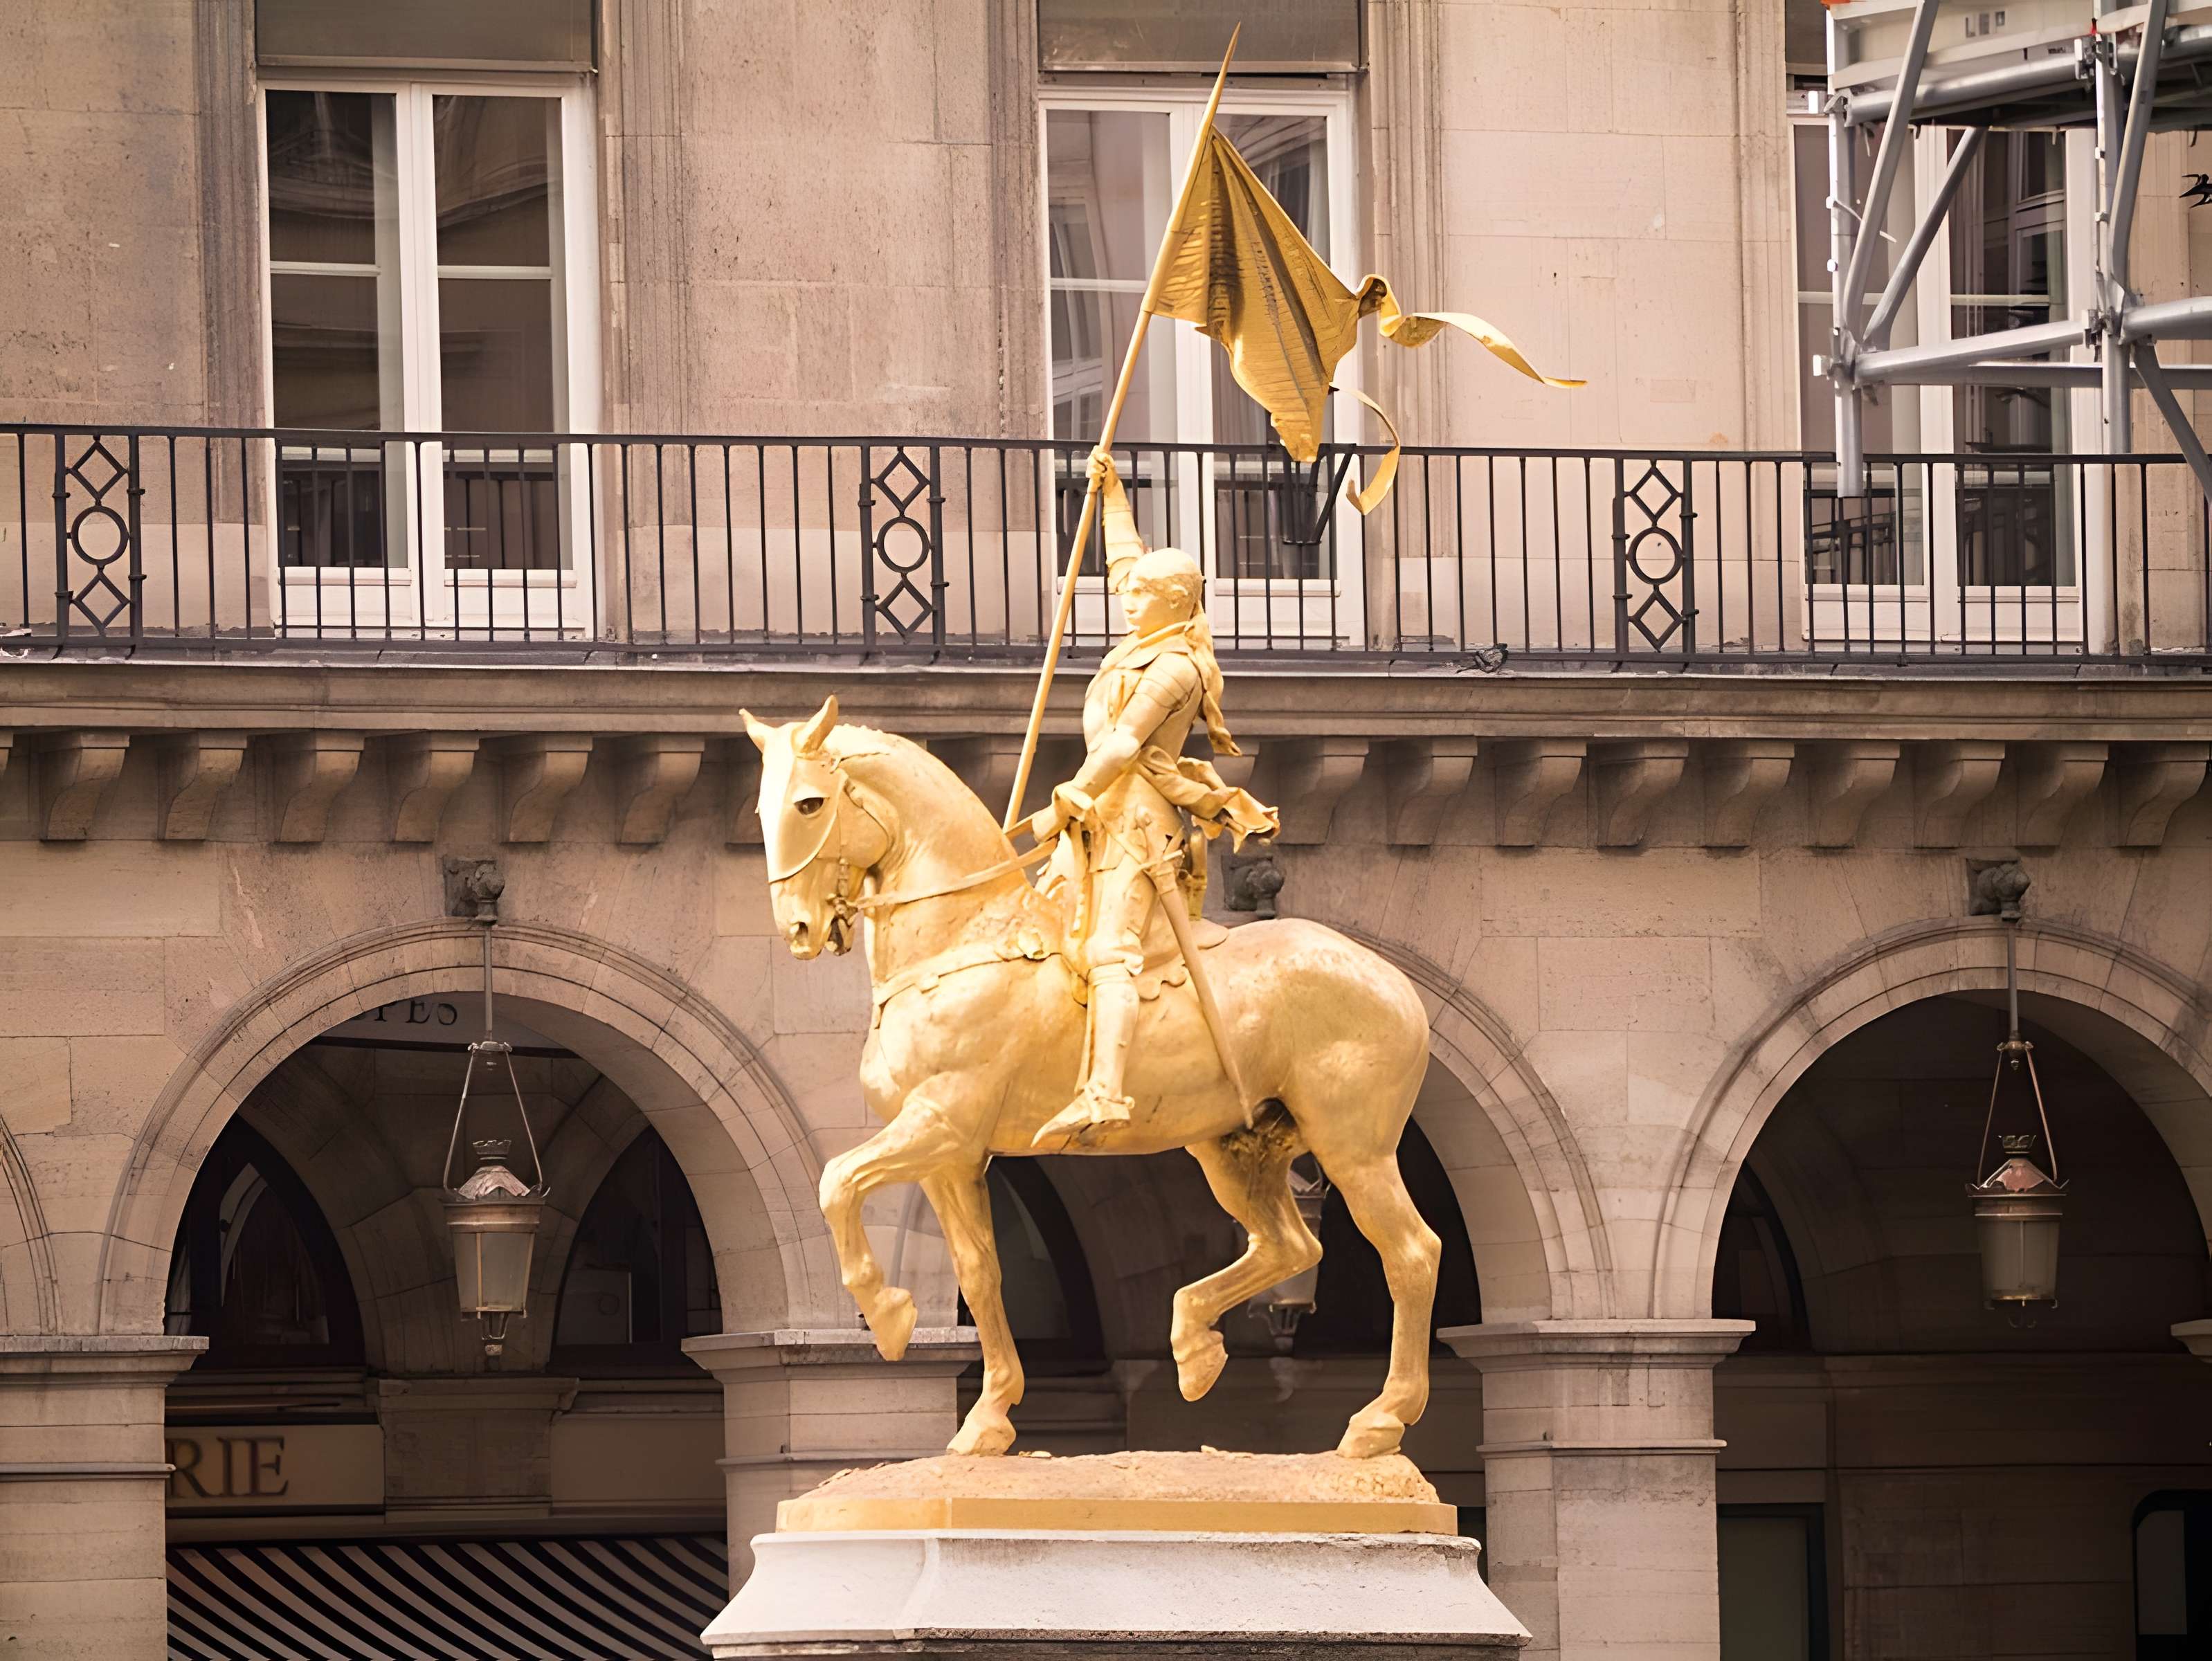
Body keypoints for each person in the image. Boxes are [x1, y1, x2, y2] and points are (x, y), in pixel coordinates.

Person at [1027, 448, 1277, 1149]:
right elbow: (1123, 561)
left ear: (1171, 601)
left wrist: (1071, 794)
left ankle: (1105, 1091)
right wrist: (1109, 496)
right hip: (1104, 813)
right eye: (1127, 591)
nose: (1122, 597)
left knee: (1111, 948)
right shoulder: (1147, 635)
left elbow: (1123, 745)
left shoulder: (1174, 666)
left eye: (1138, 594)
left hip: (1138, 822)